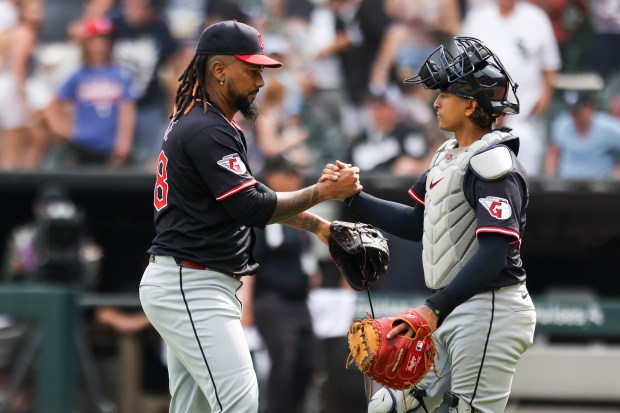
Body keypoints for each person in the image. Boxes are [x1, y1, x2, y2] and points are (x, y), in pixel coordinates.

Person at [138, 20, 362, 413]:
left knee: (196, 408)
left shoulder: (203, 121)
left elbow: (249, 198)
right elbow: (253, 208)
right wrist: (323, 192)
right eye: (252, 69)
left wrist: (318, 226)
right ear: (220, 70)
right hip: (191, 282)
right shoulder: (207, 128)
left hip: (189, 279)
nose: (260, 81)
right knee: (240, 399)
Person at [323, 37, 536, 413]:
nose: (436, 102)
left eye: (445, 94)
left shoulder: (494, 163)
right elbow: (415, 222)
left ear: (471, 105)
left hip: (489, 308)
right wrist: (352, 198)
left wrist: (431, 309)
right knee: (386, 406)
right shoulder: (448, 156)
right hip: (451, 307)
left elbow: (494, 252)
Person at [243, 155, 321, 413]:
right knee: (284, 360)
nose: (297, 180)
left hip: (299, 302)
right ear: (274, 177)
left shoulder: (297, 213)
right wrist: (246, 305)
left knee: (309, 362)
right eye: (291, 174)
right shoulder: (263, 213)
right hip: (272, 300)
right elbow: (250, 262)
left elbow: (306, 253)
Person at [461, 0, 562, 176]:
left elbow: (550, 68)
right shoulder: (478, 17)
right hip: (482, 116)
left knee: (521, 177)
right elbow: (464, 69)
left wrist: (541, 104)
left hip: (523, 117)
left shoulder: (536, 18)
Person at [46, 16, 137, 168]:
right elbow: (52, 105)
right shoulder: (78, 76)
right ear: (86, 43)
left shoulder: (120, 75)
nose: (100, 45)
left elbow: (127, 112)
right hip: (81, 146)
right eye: (95, 40)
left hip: (109, 148)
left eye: (105, 40)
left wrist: (123, 146)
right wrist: (65, 130)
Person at [545, 89, 620, 179]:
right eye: (571, 112)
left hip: (600, 189)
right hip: (567, 188)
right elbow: (553, 154)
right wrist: (550, 181)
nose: (574, 117)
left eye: (578, 112)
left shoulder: (608, 127)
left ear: (590, 108)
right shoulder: (562, 124)